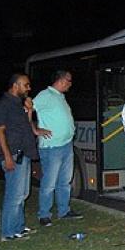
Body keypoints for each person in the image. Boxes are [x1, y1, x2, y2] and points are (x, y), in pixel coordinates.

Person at [0, 73, 39, 241]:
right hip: (13, 154)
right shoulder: (2, 106)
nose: (29, 88)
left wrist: (29, 110)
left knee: (23, 193)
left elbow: (25, 125)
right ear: (15, 85)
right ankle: (8, 232)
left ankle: (19, 227)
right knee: (14, 195)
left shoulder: (18, 105)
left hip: (23, 153)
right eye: (26, 85)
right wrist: (7, 156)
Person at [34, 70, 82, 226]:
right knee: (49, 182)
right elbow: (26, 110)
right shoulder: (45, 95)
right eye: (69, 81)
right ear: (61, 80)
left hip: (66, 145)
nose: (70, 84)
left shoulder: (60, 97)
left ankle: (64, 210)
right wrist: (36, 129)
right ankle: (44, 214)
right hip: (51, 147)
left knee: (65, 181)